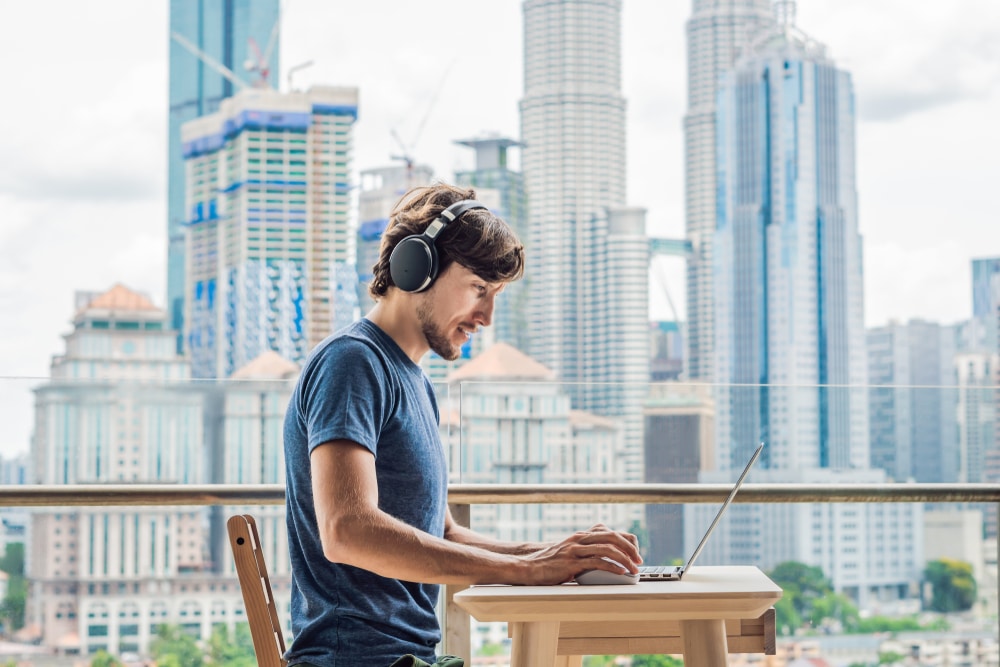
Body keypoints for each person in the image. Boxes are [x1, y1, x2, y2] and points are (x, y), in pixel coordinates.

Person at [283, 183, 642, 667]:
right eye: (478, 288)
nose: (488, 316)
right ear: (417, 267)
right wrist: (527, 570)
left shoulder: (412, 379)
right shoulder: (352, 363)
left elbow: (443, 532)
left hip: (409, 657)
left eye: (494, 296)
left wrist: (554, 555)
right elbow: (347, 530)